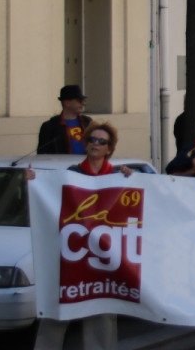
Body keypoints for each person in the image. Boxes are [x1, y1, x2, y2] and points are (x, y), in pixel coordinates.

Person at [29, 121, 132, 350]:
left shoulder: (119, 176)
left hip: (102, 260)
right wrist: (35, 181)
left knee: (101, 315)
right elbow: (50, 197)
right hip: (72, 256)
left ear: (109, 148)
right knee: (57, 311)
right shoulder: (71, 175)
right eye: (91, 140)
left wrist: (132, 178)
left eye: (101, 141)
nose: (95, 144)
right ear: (86, 145)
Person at [37, 84, 92, 154]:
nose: (83, 104)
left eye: (84, 100)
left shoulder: (87, 122)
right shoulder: (50, 126)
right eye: (80, 101)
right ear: (67, 103)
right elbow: (42, 154)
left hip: (86, 161)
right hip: (61, 161)